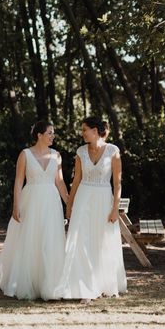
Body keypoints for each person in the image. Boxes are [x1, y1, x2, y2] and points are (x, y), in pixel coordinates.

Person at [0, 120, 69, 300]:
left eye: (53, 133)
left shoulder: (56, 155)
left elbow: (59, 181)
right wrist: (16, 205)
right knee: (30, 238)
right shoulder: (25, 154)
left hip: (52, 202)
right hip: (31, 200)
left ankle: (49, 283)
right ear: (39, 135)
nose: (53, 136)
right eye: (50, 133)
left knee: (50, 238)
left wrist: (69, 203)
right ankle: (26, 282)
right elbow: (18, 181)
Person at [61, 117, 127, 302]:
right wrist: (69, 204)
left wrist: (115, 208)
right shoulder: (80, 152)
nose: (82, 133)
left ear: (96, 131)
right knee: (81, 240)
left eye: (85, 130)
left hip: (103, 199)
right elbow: (76, 181)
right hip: (83, 197)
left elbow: (117, 182)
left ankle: (103, 284)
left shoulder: (113, 151)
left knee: (101, 240)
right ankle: (84, 287)